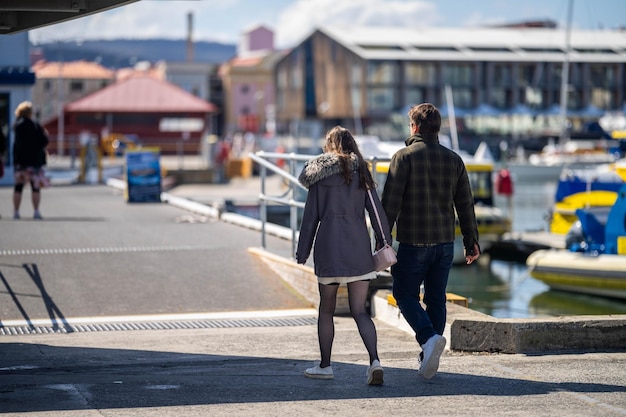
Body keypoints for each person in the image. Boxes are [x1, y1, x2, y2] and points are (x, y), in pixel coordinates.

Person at [381, 103, 480, 380]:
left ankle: (427, 339)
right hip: (445, 244)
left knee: (404, 295)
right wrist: (471, 240)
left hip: (414, 243)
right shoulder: (454, 160)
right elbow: (466, 205)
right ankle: (428, 357)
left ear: (414, 127)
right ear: (438, 128)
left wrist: (382, 239)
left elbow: (390, 204)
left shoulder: (403, 157)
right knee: (437, 299)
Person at [296, 125, 392, 385]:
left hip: (328, 250)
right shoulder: (362, 174)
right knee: (360, 310)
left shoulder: (319, 177)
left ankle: (325, 366)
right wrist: (384, 243)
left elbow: (309, 220)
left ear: (329, 147)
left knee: (326, 309)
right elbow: (376, 213)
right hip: (358, 251)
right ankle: (375, 361)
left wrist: (302, 252)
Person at [12, 101, 49, 220]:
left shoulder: (17, 125)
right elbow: (44, 141)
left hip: (20, 162)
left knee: (18, 187)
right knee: (35, 187)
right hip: (34, 162)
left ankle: (16, 212)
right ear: (30, 113)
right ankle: (36, 212)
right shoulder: (35, 125)